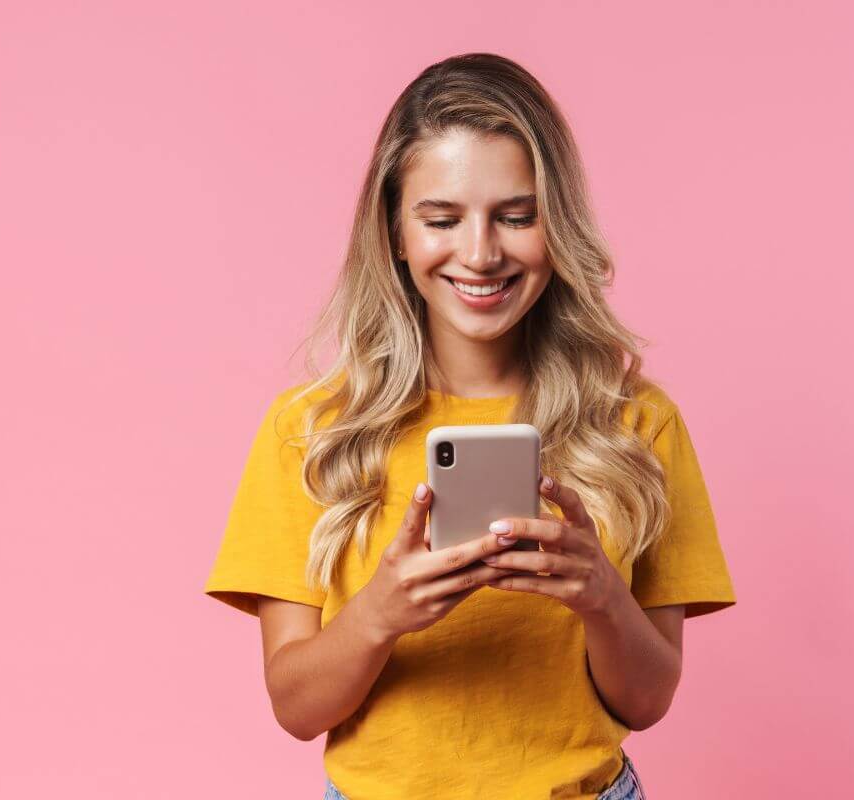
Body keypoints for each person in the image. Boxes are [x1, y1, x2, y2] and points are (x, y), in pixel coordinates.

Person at [203, 52, 737, 800]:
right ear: (394, 231)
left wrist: (600, 596)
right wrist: (381, 613)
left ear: (558, 226)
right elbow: (296, 707)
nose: (481, 252)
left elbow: (646, 703)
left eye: (517, 217)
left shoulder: (636, 423)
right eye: (442, 219)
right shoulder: (316, 430)